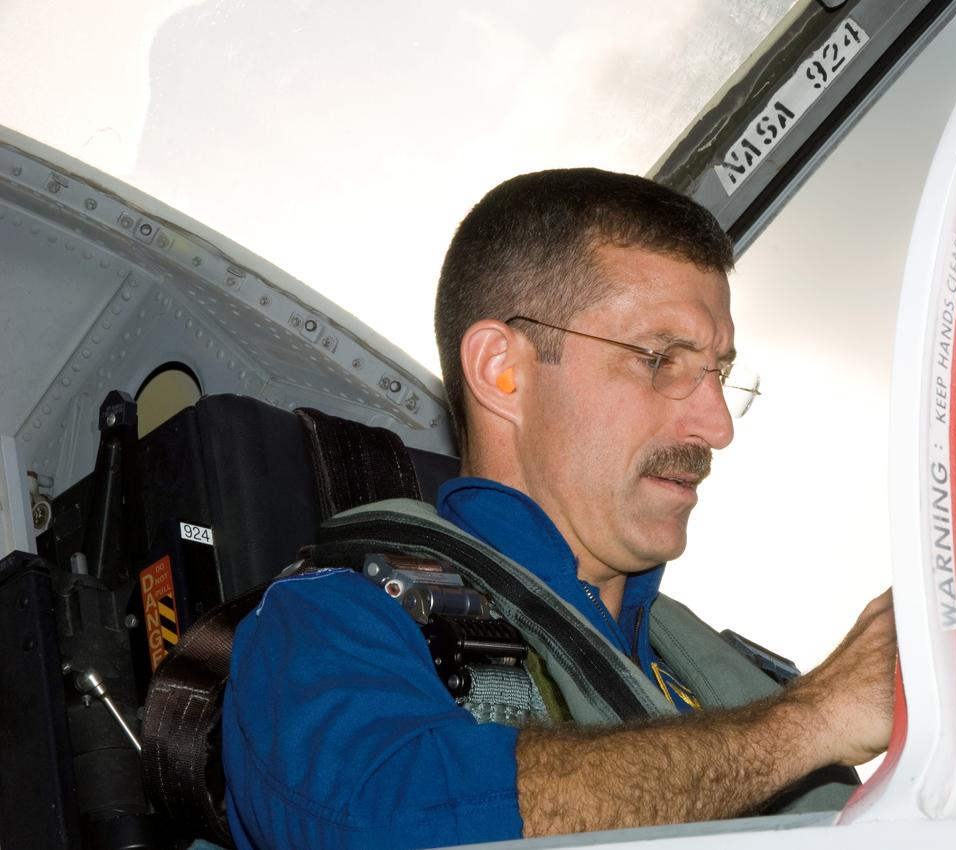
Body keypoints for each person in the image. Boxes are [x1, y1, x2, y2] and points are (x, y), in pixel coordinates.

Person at [221, 168, 897, 849]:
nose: (717, 425)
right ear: (500, 371)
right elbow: (385, 821)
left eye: (718, 372)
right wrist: (811, 722)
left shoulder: (708, 673)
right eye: (662, 358)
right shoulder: (332, 621)